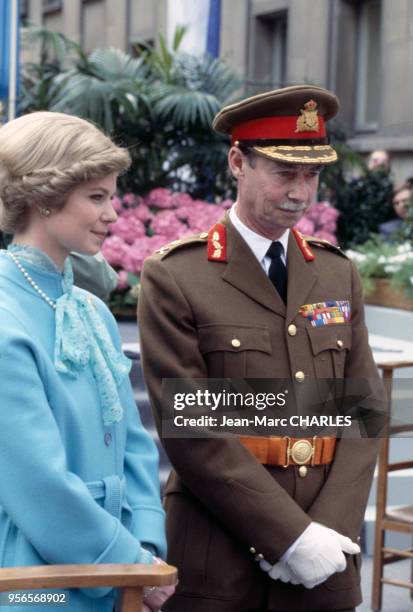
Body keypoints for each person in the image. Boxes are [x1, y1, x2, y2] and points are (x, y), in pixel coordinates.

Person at [138, 85, 384, 612]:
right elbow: (194, 429)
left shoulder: (337, 273)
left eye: (312, 175)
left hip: (326, 555)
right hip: (219, 552)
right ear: (237, 163)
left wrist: (326, 534)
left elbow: (362, 412)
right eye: (284, 172)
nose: (300, 192)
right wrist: (288, 537)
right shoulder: (178, 275)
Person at [0, 111, 174, 612]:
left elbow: (135, 442)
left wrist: (146, 537)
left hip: (116, 571)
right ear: (43, 198)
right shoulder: (6, 317)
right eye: (96, 197)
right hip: (34, 582)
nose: (113, 214)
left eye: (112, 195)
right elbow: (36, 483)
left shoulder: (92, 309)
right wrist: (128, 563)